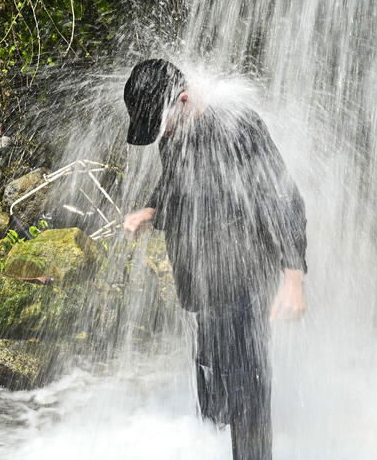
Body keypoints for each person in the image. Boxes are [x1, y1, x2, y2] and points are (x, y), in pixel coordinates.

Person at [122, 59, 308, 460]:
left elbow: (283, 198)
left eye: (162, 124)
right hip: (203, 284)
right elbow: (175, 185)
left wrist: (293, 278)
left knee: (247, 390)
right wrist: (151, 212)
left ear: (183, 100)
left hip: (242, 282)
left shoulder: (238, 126)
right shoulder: (176, 134)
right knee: (213, 382)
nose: (162, 134)